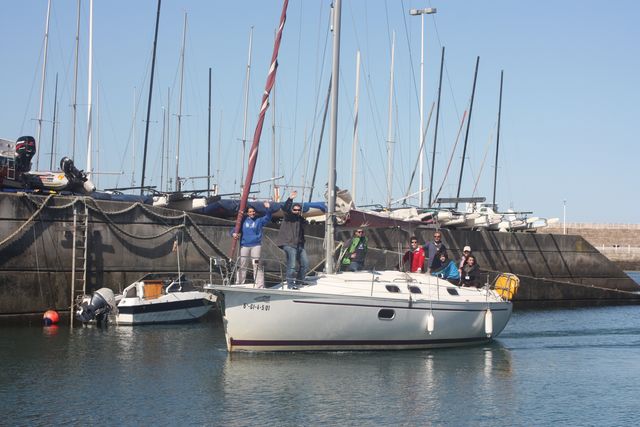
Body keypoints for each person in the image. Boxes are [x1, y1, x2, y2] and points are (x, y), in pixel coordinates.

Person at [232, 201, 272, 288]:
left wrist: (268, 208)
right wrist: (234, 234)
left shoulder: (259, 220)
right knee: (243, 264)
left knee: (256, 264)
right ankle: (239, 283)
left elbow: (268, 217)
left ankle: (260, 285)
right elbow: (235, 229)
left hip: (256, 246)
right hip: (245, 246)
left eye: (253, 211)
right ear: (247, 213)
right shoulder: (243, 221)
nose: (252, 213)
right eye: (250, 212)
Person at [275, 190, 309, 289]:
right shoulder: (288, 216)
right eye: (295, 209)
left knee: (305, 264)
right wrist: (290, 199)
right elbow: (285, 208)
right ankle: (290, 285)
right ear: (292, 210)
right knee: (292, 265)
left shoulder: (300, 219)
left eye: (298, 210)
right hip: (289, 244)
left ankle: (299, 281)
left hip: (299, 245)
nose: (297, 211)